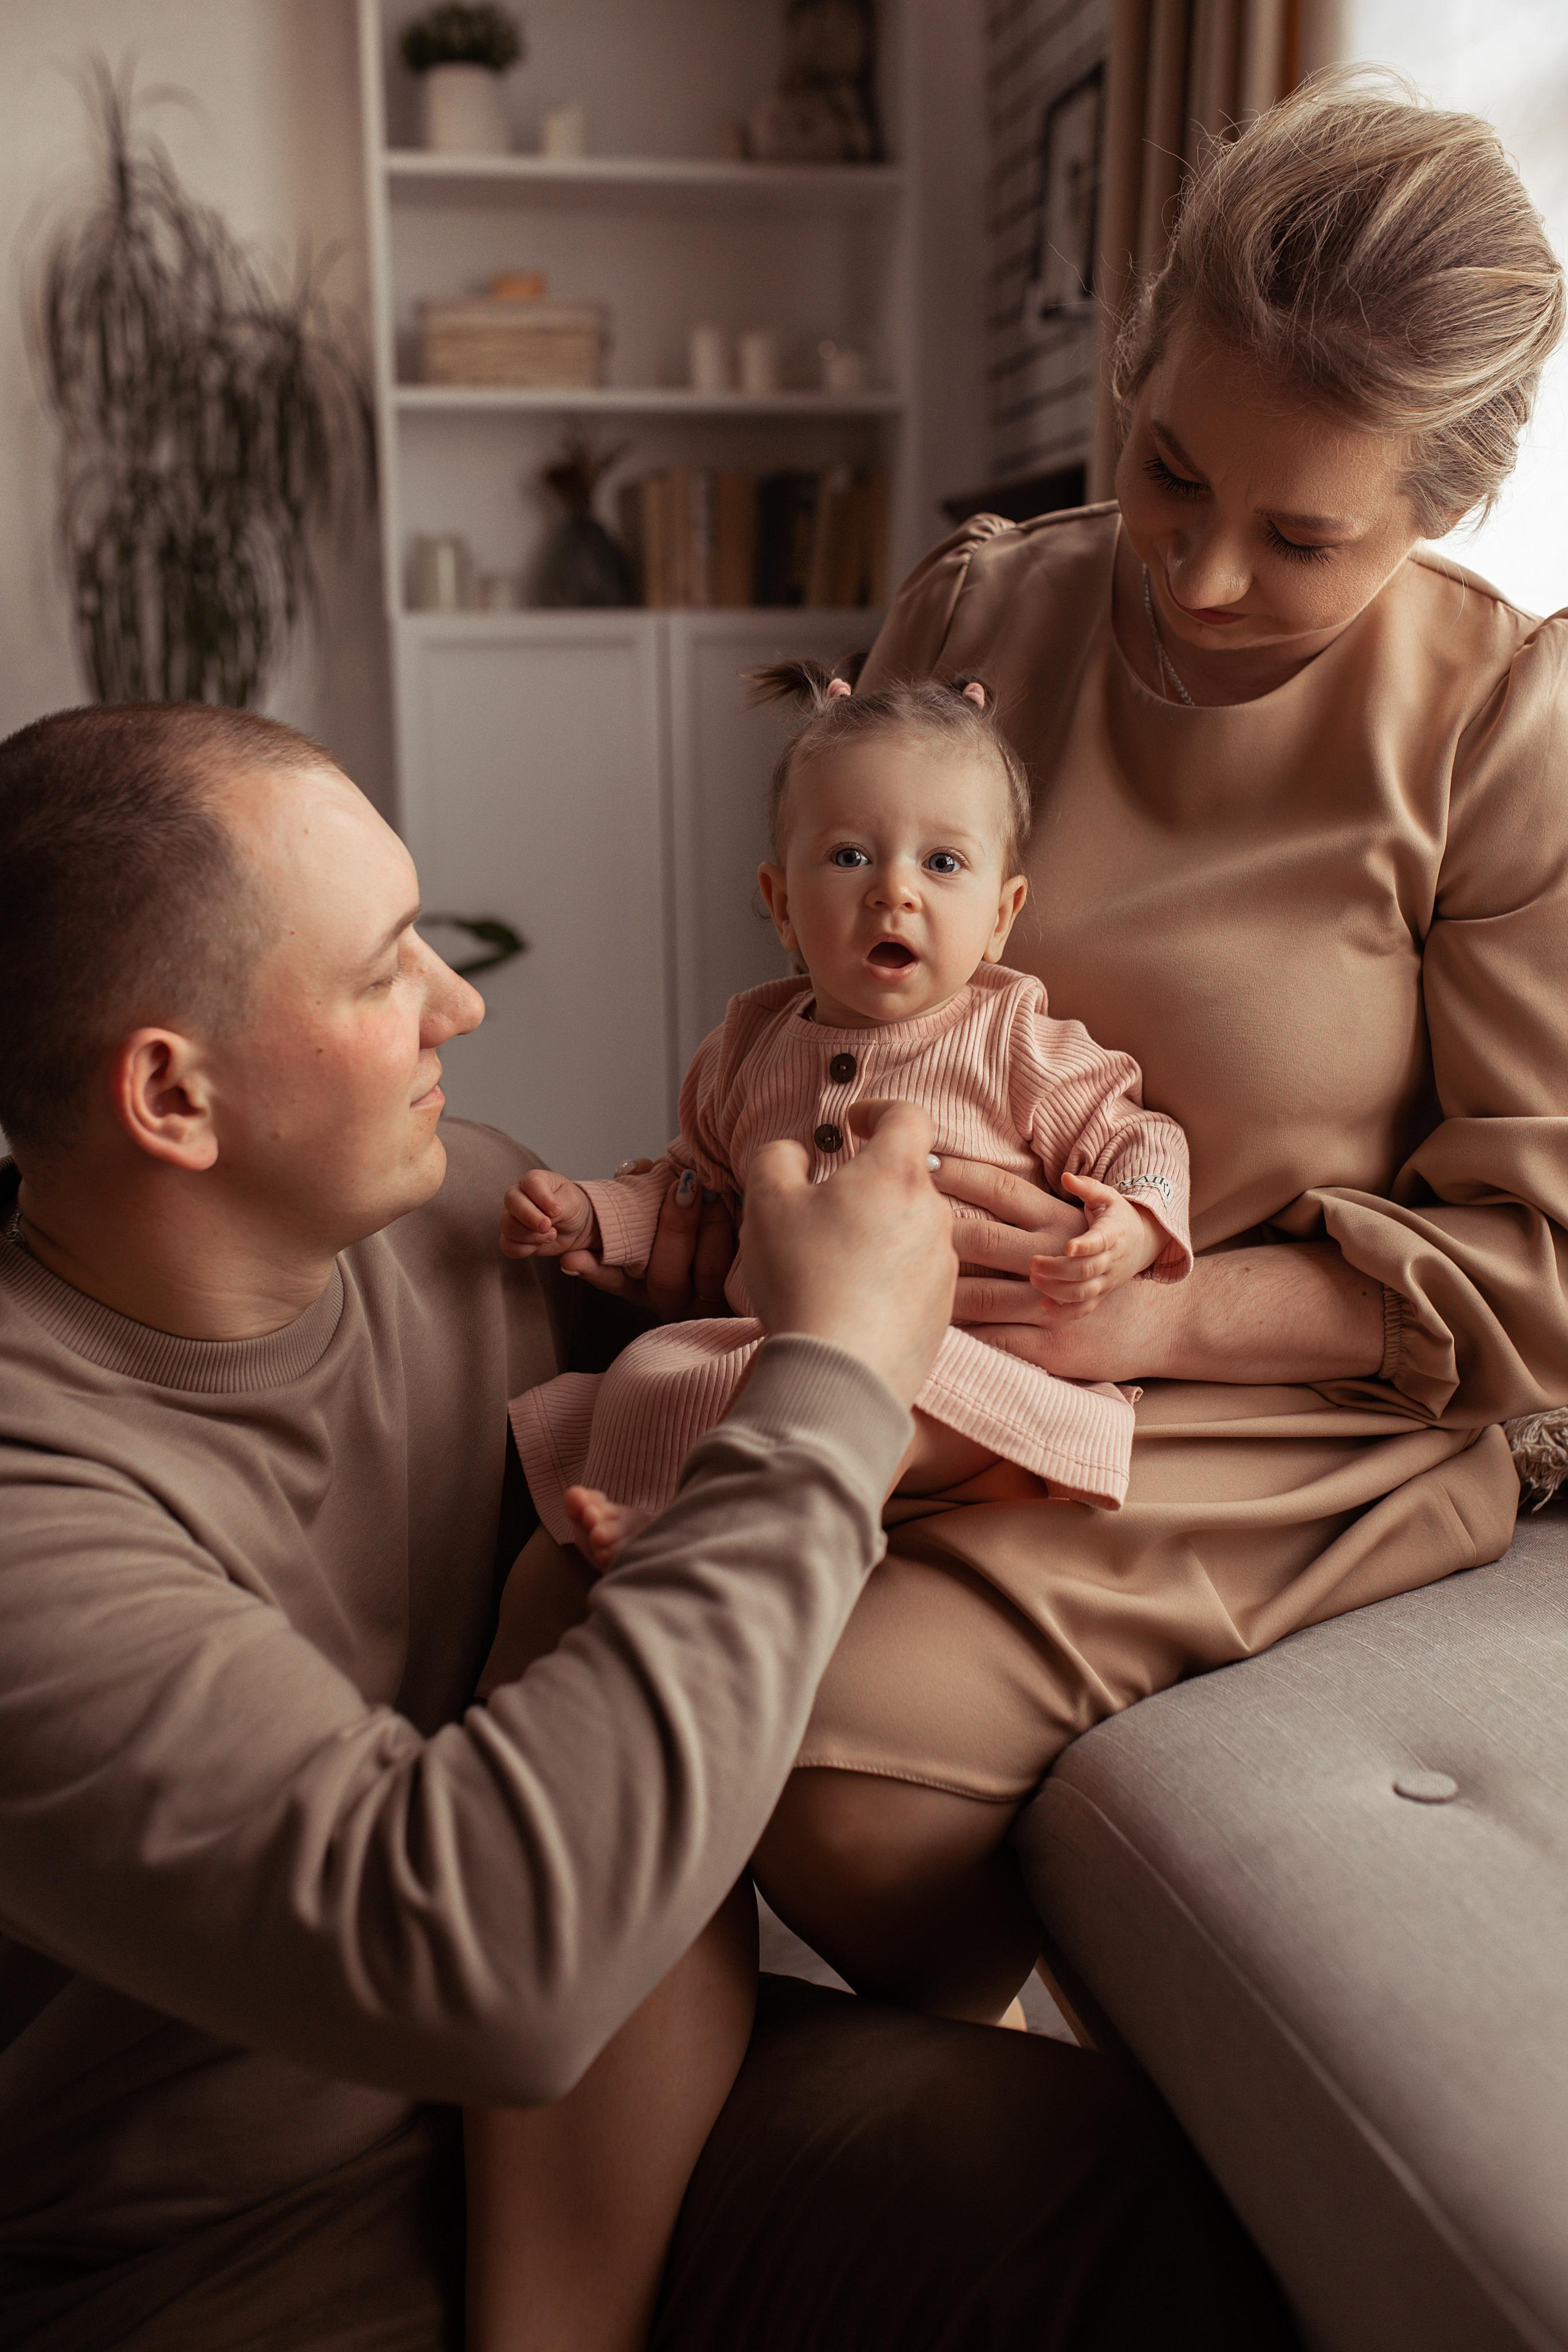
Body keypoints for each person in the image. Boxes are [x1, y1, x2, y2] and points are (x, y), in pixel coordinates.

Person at [0, 703, 1297, 2350]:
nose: (459, 1003)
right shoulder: (28, 1511)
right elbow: (482, 1965)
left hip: (605, 2112)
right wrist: (835, 1373)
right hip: (223, 2254)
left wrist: (959, 1297)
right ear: (172, 1097)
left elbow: (715, 1445)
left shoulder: (466, 1221)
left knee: (1115, 2193)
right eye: (385, 969)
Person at [505, 71, 1568, 2042]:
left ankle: (1026, 2103)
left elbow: (1542, 1268)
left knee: (801, 1756)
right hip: (879, 1344)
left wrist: (1137, 1324)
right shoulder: (984, 604)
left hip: (1260, 1421)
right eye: (1170, 471)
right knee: (570, 1631)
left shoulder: (1507, 728)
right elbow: (839, 997)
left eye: (1304, 535)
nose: (1204, 574)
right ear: (1139, 355)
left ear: (1450, 503)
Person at [505, 663, 1191, 1563]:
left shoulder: (1013, 1035)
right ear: (783, 903)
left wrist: (1134, 1224)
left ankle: (743, 1511)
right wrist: (595, 1213)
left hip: (951, 1354)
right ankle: (682, 1515)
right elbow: (694, 1185)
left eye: (943, 863)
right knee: (650, 1375)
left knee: (888, 1397)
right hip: (782, 1346)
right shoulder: (748, 1046)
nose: (893, 890)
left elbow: (1141, 1135)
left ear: (1001, 915)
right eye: (849, 856)